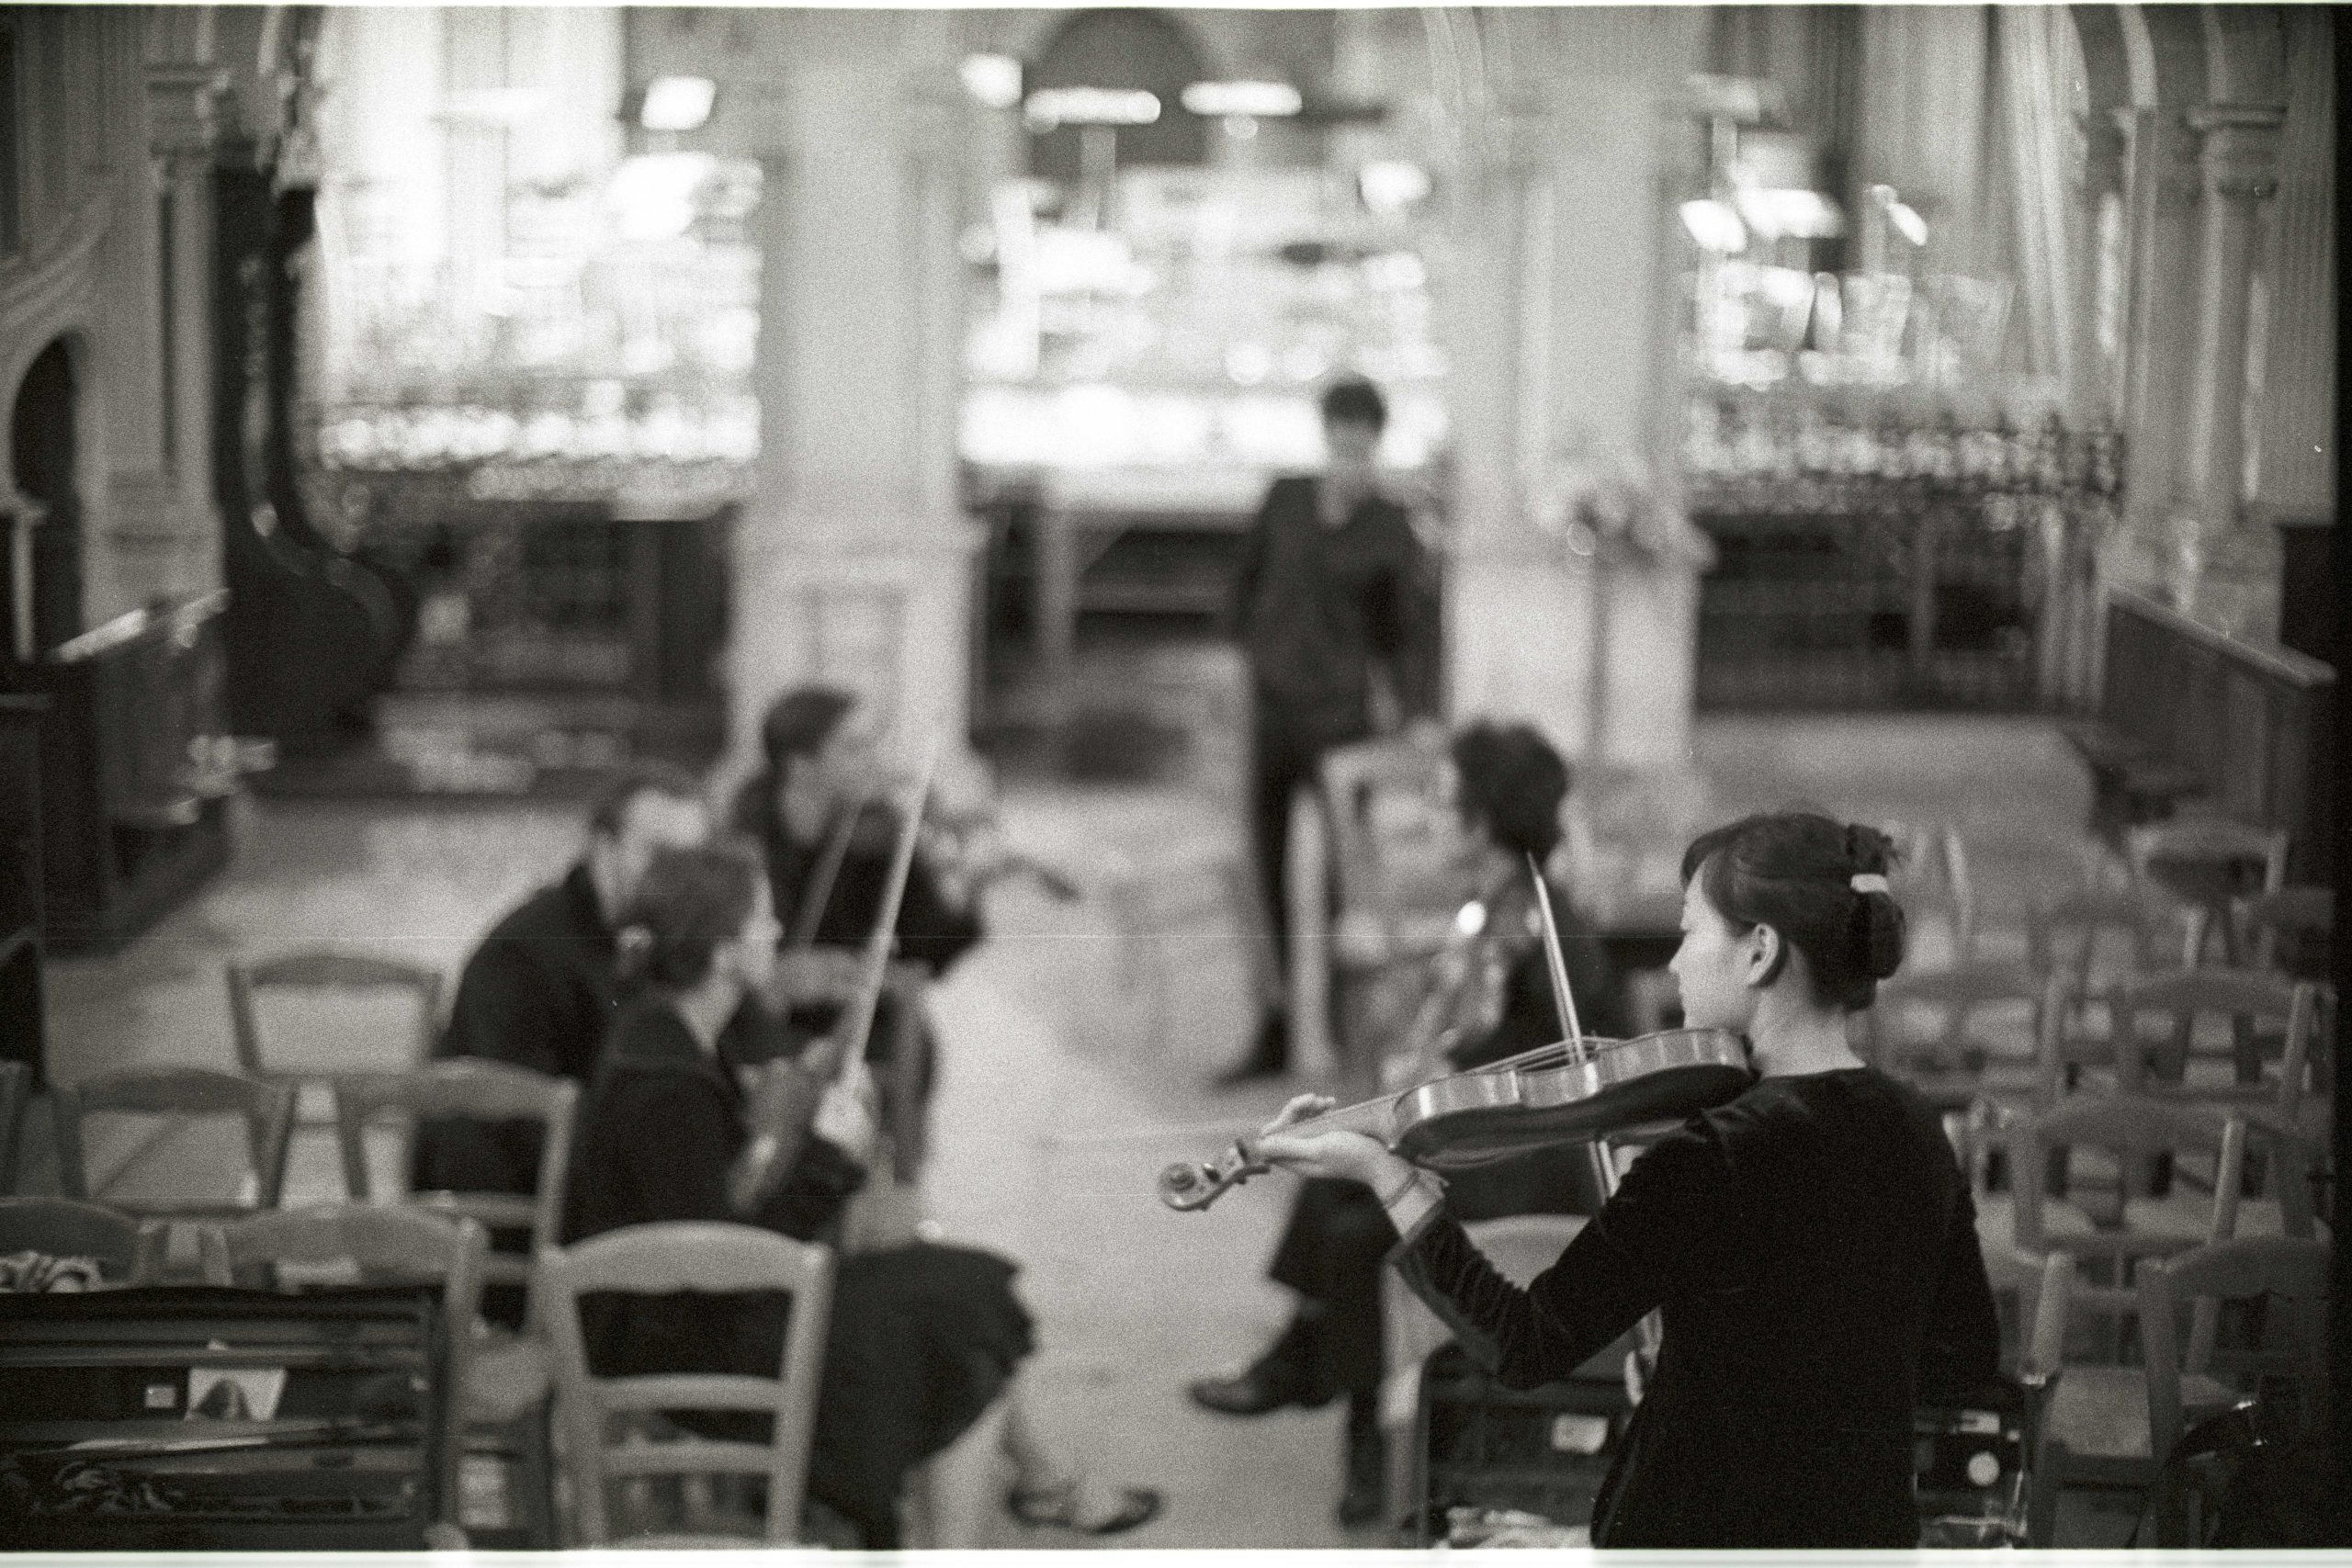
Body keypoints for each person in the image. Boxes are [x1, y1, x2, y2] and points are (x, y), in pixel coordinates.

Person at [1252, 812, 2002, 1548]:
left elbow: (1523, 1343)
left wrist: (1388, 1173)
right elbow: (1961, 1361)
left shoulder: (1713, 1151)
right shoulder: (1918, 1129)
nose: (1675, 964)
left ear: (1760, 952)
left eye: (1689, 931)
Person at [560, 840, 1159, 1547]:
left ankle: (1019, 1499)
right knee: (956, 1318)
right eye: (761, 921)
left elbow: (718, 1203)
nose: (775, 933)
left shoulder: (672, 1031)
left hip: (696, 1314)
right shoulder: (665, 1082)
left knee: (964, 1294)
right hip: (686, 1340)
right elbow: (723, 1260)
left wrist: (797, 1108)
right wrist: (828, 1158)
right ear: (723, 954)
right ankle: (1008, 1508)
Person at [1188, 721, 1627, 1525]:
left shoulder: (1540, 923)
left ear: (1483, 822)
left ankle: (1344, 1408)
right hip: (1486, 1141)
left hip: (1530, 1160)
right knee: (1336, 1183)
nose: (1430, 816)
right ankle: (1320, 1375)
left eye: (1444, 801)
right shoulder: (1491, 910)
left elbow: (1564, 1051)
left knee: (1359, 1226)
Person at [1219, 377, 1439, 1086]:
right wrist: (1239, 670)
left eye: (1360, 448)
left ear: (1376, 445)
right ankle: (1276, 1028)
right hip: (1271, 713)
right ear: (1326, 439)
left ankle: (1350, 1040)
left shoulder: (1390, 527)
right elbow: (1243, 587)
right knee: (1267, 874)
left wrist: (1415, 712)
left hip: (1341, 724)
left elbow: (1407, 632)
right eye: (1339, 445)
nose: (1349, 460)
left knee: (1344, 882)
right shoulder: (1284, 500)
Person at [413, 762, 712, 1202]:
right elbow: (517, 1117)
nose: (677, 878)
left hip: (592, 1178)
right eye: (658, 853)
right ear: (604, 848)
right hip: (506, 1202)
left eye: (691, 861)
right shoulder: (523, 951)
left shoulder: (668, 941)